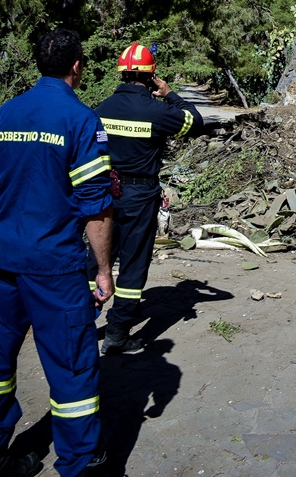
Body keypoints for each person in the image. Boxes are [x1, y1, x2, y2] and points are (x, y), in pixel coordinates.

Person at [0, 28, 114, 477]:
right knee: (71, 367)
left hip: (1, 262)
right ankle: (80, 465)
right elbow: (97, 206)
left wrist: (5, 241)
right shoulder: (80, 119)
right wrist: (105, 271)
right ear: (77, 66)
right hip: (54, 266)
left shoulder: (4, 114)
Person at [88, 42, 204, 355]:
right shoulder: (158, 110)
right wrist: (170, 94)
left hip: (104, 192)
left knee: (99, 258)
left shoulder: (102, 109)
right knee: (133, 263)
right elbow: (196, 121)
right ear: (152, 76)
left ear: (122, 73)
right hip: (140, 195)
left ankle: (82, 325)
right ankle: (117, 332)